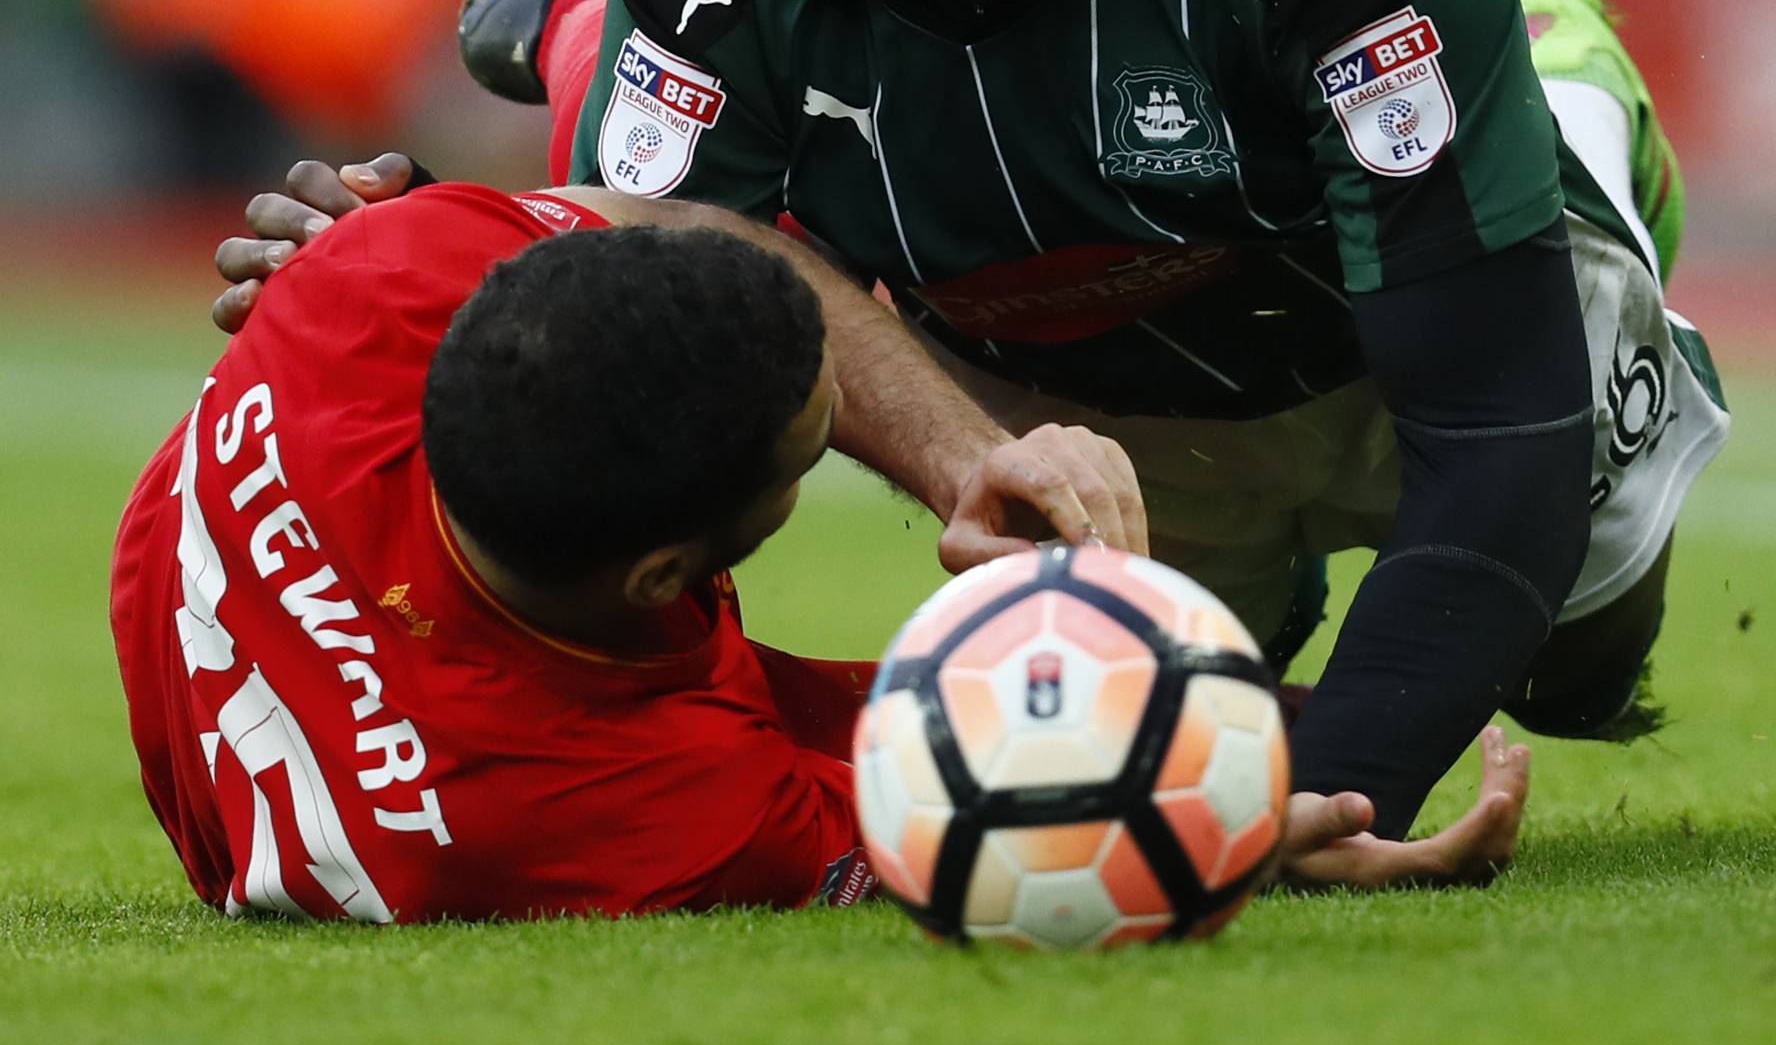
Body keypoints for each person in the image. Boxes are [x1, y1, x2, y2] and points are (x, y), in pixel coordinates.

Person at [218, 0, 1727, 851]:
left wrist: (1335, 784)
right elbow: (656, 322)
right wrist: (397, 266)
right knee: (1131, 714)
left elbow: (1497, 433)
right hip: (1084, 387)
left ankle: (1551, 49)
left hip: (1381, 317)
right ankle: (600, 43)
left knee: (1569, 656)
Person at [138, 178, 1529, 921]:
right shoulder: (659, 804)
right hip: (492, 763)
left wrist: (960, 459)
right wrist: (1250, 841)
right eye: (806, 464)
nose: (832, 450)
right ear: (664, 581)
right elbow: (1017, 836)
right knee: (1249, 752)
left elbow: (672, 224)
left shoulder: (378, 275)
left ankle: (579, 23)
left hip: (384, 657)